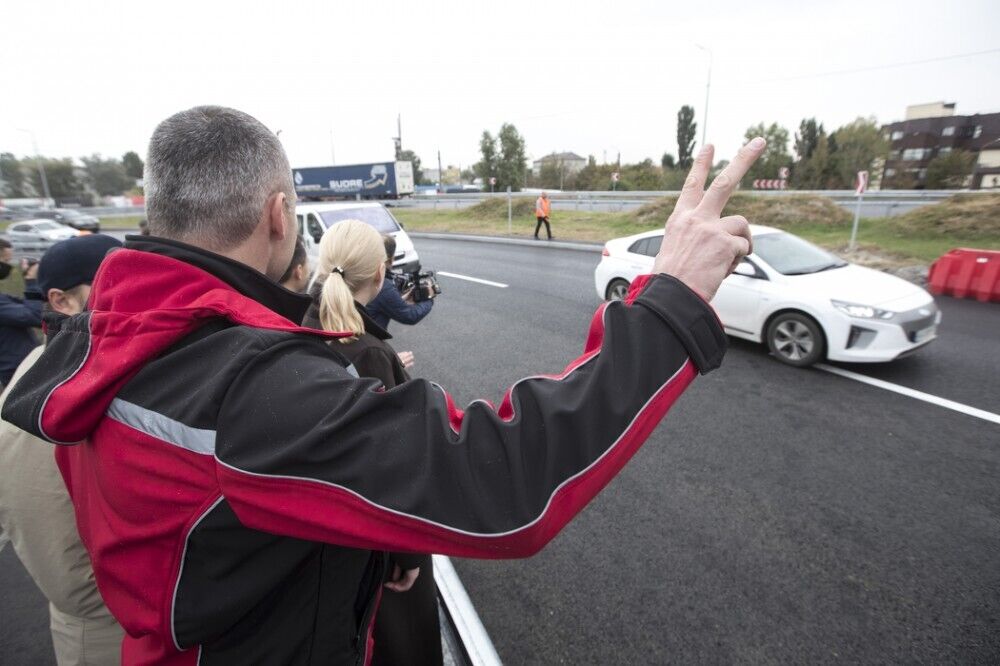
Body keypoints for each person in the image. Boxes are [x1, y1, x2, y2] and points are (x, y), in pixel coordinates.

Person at [1, 105, 761, 665]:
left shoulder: (105, 333)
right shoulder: (244, 388)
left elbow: (239, 521)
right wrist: (666, 308)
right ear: (277, 214)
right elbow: (500, 485)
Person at [302, 220, 441, 666]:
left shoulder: (296, 324)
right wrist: (410, 550)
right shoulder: (369, 353)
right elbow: (392, 462)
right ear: (380, 275)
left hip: (314, 525)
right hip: (370, 540)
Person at [0, 234, 125, 665]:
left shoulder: (56, 366)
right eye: (113, 284)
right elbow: (58, 552)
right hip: (108, 628)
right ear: (61, 301)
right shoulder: (49, 395)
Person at [364, 234, 434, 331]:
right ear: (392, 259)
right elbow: (410, 316)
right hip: (369, 340)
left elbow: (380, 303)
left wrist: (402, 299)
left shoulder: (362, 275)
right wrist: (429, 298)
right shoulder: (382, 285)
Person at [0, 238, 43, 387]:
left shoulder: (3, 298)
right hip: (17, 374)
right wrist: (31, 280)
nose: (7, 266)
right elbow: (36, 316)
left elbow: (28, 306)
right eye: (5, 261)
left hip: (22, 369)